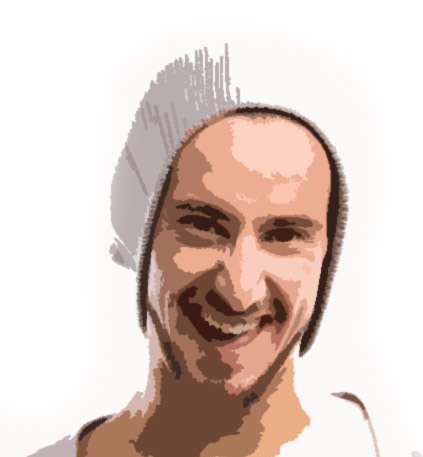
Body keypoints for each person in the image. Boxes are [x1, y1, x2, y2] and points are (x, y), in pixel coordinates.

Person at [30, 47, 379, 457]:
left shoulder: (392, 445)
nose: (239, 290)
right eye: (202, 226)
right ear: (140, 241)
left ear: (326, 258)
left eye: (284, 235)